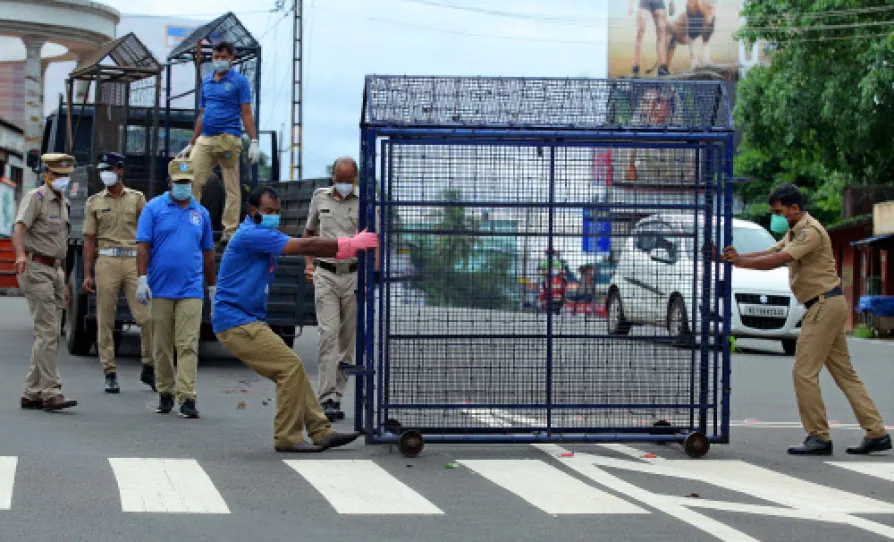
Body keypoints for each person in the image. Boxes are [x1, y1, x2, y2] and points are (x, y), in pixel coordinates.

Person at [723, 184, 891, 456]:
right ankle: (877, 432)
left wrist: (741, 263)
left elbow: (779, 259)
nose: (776, 216)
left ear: (795, 208)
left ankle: (818, 436)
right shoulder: (793, 230)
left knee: (804, 372)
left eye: (778, 211)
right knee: (845, 374)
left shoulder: (809, 232)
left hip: (823, 306)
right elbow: (769, 251)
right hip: (826, 304)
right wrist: (736, 258)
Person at [214, 186, 377, 452]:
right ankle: (288, 437)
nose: (274, 217)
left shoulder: (261, 233)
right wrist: (349, 245)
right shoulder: (252, 235)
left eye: (277, 212)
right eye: (268, 212)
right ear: (252, 212)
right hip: (237, 321)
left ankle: (321, 430)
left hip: (245, 319)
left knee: (294, 369)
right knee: (289, 368)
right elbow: (307, 244)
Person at [136, 158, 216, 419]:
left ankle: (188, 396)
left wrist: (213, 287)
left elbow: (208, 253)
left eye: (188, 182)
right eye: (179, 182)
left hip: (191, 289)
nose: (184, 186)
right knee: (162, 345)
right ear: (169, 182)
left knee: (188, 344)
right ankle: (165, 391)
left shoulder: (200, 213)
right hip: (159, 289)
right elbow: (143, 246)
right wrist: (141, 278)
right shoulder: (153, 209)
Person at [82, 152, 154, 393]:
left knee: (146, 317)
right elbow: (89, 240)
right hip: (107, 261)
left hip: (134, 262)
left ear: (120, 171)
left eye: (109, 169)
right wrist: (88, 274)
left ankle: (149, 367)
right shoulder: (94, 202)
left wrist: (148, 270)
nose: (105, 173)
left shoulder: (136, 199)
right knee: (105, 319)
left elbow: (147, 236)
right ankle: (109, 371)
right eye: (102, 169)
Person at [11, 153, 78, 411]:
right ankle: (51, 391)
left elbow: (62, 243)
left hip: (55, 270)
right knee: (48, 332)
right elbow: (18, 230)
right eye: (57, 175)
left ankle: (32, 391)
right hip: (36, 266)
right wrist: (19, 255)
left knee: (46, 334)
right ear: (47, 174)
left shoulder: (63, 202)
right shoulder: (35, 198)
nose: (61, 179)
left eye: (65, 175)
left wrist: (64, 279)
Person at [178, 40, 259, 243]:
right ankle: (192, 224)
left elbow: (247, 113)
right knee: (192, 179)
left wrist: (254, 140)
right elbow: (202, 114)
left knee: (231, 185)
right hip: (206, 138)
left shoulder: (239, 81)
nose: (219, 60)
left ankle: (229, 229)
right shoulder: (206, 82)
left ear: (231, 58)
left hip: (228, 138)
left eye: (223, 57)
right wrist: (192, 142)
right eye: (216, 57)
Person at [304, 157, 363, 421]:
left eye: (348, 180)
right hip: (325, 273)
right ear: (333, 178)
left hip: (352, 275)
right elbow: (309, 233)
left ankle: (337, 396)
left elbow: (373, 240)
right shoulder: (320, 198)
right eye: (339, 179)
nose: (343, 184)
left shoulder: (365, 201)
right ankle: (325, 397)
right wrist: (309, 265)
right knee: (328, 334)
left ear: (356, 179)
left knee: (347, 341)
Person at [629, 0, 669, 77]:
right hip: (644, 2)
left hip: (659, 3)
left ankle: (662, 67)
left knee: (661, 32)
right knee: (640, 30)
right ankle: (636, 67)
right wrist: (630, 5)